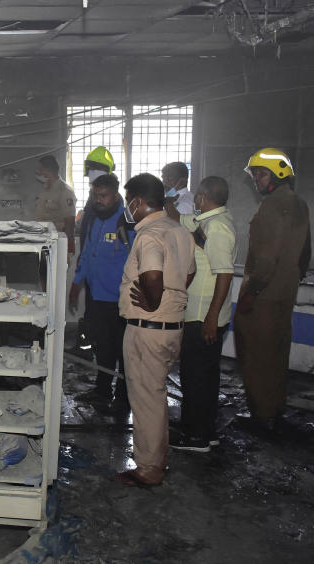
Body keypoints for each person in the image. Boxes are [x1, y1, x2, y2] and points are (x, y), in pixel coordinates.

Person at [114, 173, 196, 487]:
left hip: (147, 331)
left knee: (145, 399)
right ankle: (159, 460)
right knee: (156, 396)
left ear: (137, 201)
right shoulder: (179, 231)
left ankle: (148, 469)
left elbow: (152, 277)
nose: (128, 207)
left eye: (128, 201)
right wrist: (167, 300)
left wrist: (153, 301)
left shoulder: (149, 236)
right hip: (172, 328)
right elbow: (190, 273)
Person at [234, 148, 311, 433]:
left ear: (279, 173)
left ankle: (262, 415)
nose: (256, 179)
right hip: (285, 293)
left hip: (263, 296)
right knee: (277, 353)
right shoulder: (299, 203)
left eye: (261, 173)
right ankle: (274, 408)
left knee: (256, 354)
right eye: (254, 173)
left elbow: (265, 259)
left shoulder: (271, 206)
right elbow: (305, 253)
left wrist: (251, 294)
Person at [165, 177, 237, 452]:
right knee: (206, 376)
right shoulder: (207, 220)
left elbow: (225, 274)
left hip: (204, 316)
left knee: (195, 376)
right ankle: (206, 429)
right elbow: (178, 219)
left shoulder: (217, 228)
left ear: (203, 197)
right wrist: (170, 196)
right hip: (201, 314)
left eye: (197, 196)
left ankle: (195, 436)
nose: (194, 199)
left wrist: (210, 317)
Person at [69, 174, 134, 410]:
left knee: (123, 351)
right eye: (95, 195)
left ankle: (124, 397)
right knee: (102, 347)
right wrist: (76, 284)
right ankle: (103, 390)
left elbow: (138, 259)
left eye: (103, 196)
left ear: (116, 195)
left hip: (120, 300)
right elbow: (87, 254)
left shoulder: (127, 222)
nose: (98, 200)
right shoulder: (96, 219)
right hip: (97, 297)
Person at [33, 155, 76, 254]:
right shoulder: (45, 189)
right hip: (43, 242)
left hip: (57, 244)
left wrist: (67, 250)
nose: (37, 173)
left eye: (39, 169)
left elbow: (70, 223)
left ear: (46, 171)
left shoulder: (65, 192)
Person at [78, 146, 117, 252]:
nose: (92, 172)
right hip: (88, 252)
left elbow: (112, 236)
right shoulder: (92, 195)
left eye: (96, 169)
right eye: (91, 168)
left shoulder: (114, 199)